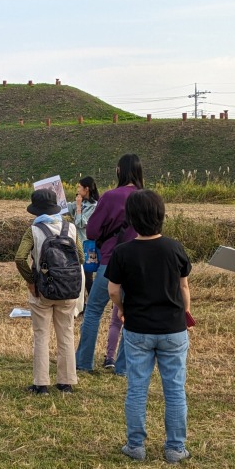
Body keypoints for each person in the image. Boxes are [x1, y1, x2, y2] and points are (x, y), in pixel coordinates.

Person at [107, 189, 192, 463]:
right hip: (173, 329)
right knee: (175, 389)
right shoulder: (175, 248)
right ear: (161, 215)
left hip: (138, 328)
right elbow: (184, 286)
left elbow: (112, 290)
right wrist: (186, 312)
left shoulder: (123, 252)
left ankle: (135, 446)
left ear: (130, 218)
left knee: (137, 388)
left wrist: (123, 309)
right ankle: (175, 448)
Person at [77, 153, 146, 375]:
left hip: (110, 260)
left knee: (94, 310)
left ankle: (84, 362)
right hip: (139, 263)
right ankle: (124, 367)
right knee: (132, 315)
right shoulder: (147, 197)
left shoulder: (110, 197)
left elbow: (92, 230)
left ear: (119, 171)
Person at [16, 188, 82, 395]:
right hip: (68, 290)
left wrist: (31, 280)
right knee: (66, 334)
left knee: (41, 335)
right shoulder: (70, 227)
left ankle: (41, 384)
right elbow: (79, 256)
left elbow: (19, 258)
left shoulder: (34, 230)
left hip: (42, 290)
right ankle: (66, 382)